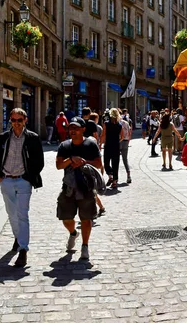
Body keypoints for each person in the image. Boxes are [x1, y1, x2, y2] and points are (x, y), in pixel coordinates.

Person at [0, 108, 44, 268]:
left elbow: (39, 161)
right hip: (6, 179)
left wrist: (29, 177)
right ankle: (18, 237)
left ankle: (23, 250)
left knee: (22, 214)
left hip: (23, 180)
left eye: (19, 120)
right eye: (13, 120)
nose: (16, 123)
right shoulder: (3, 138)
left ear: (25, 120)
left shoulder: (32, 138)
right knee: (11, 213)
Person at [56, 117, 103, 260]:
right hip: (69, 187)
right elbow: (59, 165)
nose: (73, 131)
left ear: (83, 129)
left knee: (86, 219)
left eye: (76, 128)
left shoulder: (90, 145)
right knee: (66, 217)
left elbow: (99, 164)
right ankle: (73, 233)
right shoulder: (64, 146)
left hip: (86, 187)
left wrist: (84, 162)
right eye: (71, 128)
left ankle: (85, 246)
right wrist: (71, 159)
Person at [101, 108, 123, 189]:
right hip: (116, 146)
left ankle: (110, 176)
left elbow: (103, 135)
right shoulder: (119, 125)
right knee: (115, 163)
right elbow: (122, 136)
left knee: (106, 162)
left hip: (108, 145)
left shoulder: (106, 124)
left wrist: (100, 144)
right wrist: (117, 141)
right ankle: (114, 181)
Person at [119, 111, 132, 184]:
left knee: (116, 159)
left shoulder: (117, 123)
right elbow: (130, 132)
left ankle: (116, 177)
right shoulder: (126, 123)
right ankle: (128, 175)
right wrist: (128, 140)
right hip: (126, 141)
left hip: (118, 141)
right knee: (125, 159)